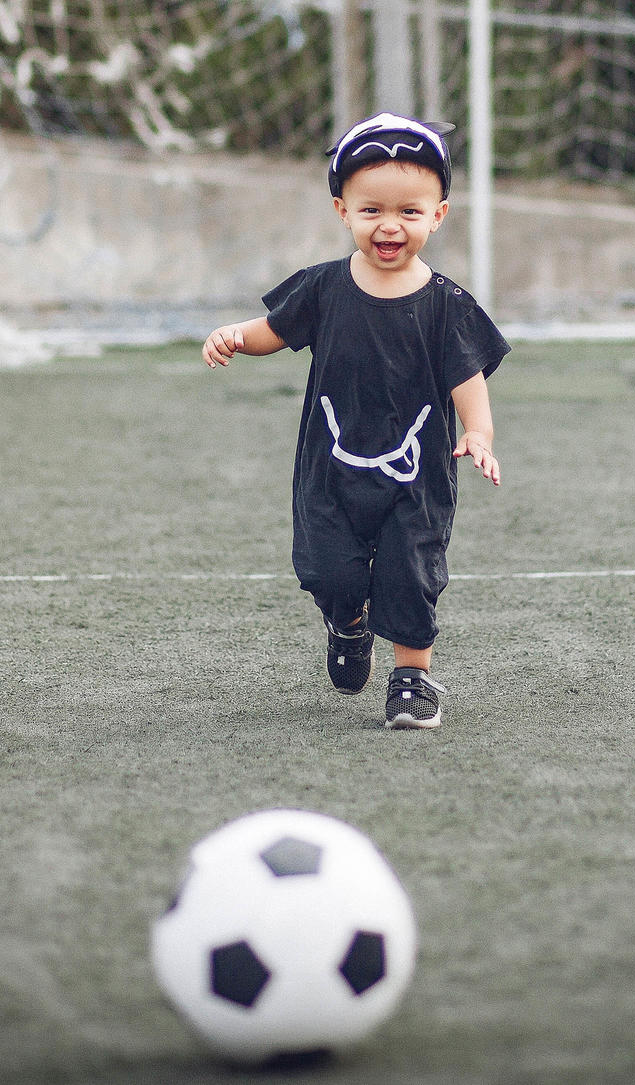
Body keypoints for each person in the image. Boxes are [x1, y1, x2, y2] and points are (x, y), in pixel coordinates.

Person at [202, 112, 510, 730]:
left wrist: (477, 433)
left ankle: (412, 681)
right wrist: (237, 335)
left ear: (438, 215)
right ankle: (348, 623)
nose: (389, 225)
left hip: (416, 476)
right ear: (343, 210)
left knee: (410, 574)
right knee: (326, 569)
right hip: (329, 471)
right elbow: (274, 331)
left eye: (409, 212)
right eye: (371, 211)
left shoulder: (447, 304)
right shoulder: (323, 289)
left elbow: (467, 381)